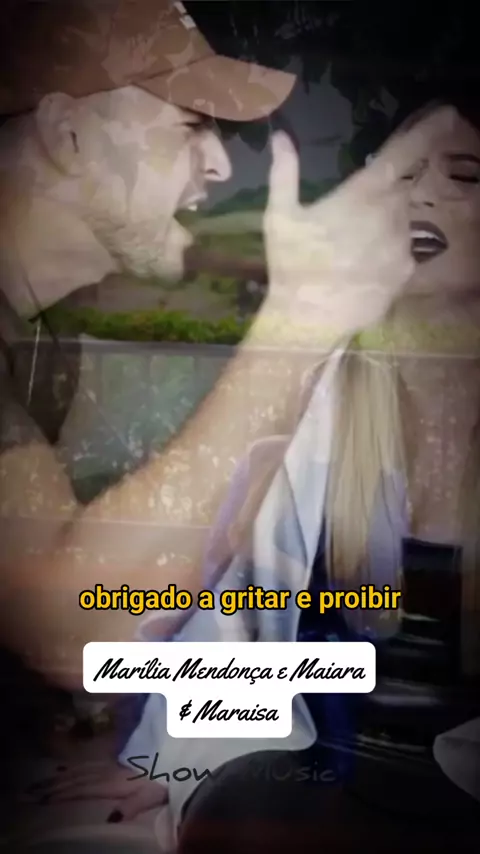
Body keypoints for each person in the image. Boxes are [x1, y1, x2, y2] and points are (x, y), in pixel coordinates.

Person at [35, 97, 478, 850]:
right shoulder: (309, 402)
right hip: (314, 792)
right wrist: (173, 760)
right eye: (403, 174)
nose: (423, 194)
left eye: (464, 175)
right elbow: (233, 613)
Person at [0, 1, 448, 689]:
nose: (218, 163)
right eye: (191, 125)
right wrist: (302, 321)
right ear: (70, 136)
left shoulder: (48, 344)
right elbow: (75, 632)